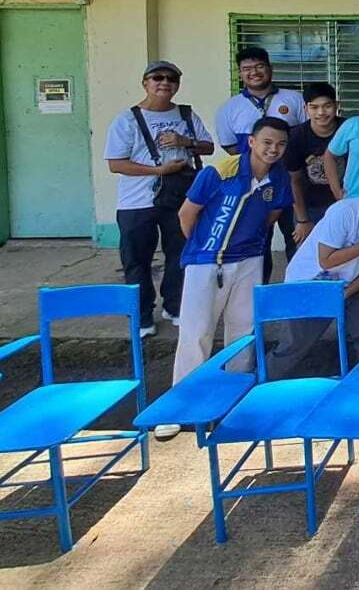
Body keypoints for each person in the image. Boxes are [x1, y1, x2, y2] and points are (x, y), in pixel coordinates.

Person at [156, 117, 293, 441]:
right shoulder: (220, 171)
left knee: (243, 331)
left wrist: (246, 246)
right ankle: (181, 407)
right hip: (206, 262)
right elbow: (187, 214)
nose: (273, 149)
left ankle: (234, 400)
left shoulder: (279, 177)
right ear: (251, 142)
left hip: (249, 261)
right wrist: (208, 247)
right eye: (267, 142)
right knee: (196, 333)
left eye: (280, 144)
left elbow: (272, 214)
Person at [268, 158, 359, 378]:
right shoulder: (345, 211)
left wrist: (346, 292)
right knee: (295, 345)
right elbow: (326, 260)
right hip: (312, 283)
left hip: (351, 286)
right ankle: (262, 382)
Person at [104, 60, 215, 338]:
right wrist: (157, 171)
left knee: (179, 254)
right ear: (145, 83)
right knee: (136, 259)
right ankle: (142, 316)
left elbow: (209, 146)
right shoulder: (127, 120)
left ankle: (175, 306)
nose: (165, 82)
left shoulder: (186, 114)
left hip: (178, 196)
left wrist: (185, 142)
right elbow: (116, 164)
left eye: (171, 79)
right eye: (158, 78)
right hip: (136, 201)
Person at [215, 46, 307, 283]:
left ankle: (297, 289)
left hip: (292, 183)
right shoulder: (229, 108)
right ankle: (258, 292)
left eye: (259, 66)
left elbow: (307, 136)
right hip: (253, 188)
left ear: (270, 68)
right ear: (240, 73)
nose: (254, 72)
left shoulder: (294, 99)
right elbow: (230, 147)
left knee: (298, 239)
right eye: (247, 68)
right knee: (257, 241)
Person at [287, 83, 344, 249]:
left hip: (344, 204)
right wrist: (302, 220)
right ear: (306, 109)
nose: (321, 112)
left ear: (336, 105)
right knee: (307, 255)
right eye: (314, 107)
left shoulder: (349, 129)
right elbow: (294, 180)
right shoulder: (295, 137)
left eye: (327, 106)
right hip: (310, 207)